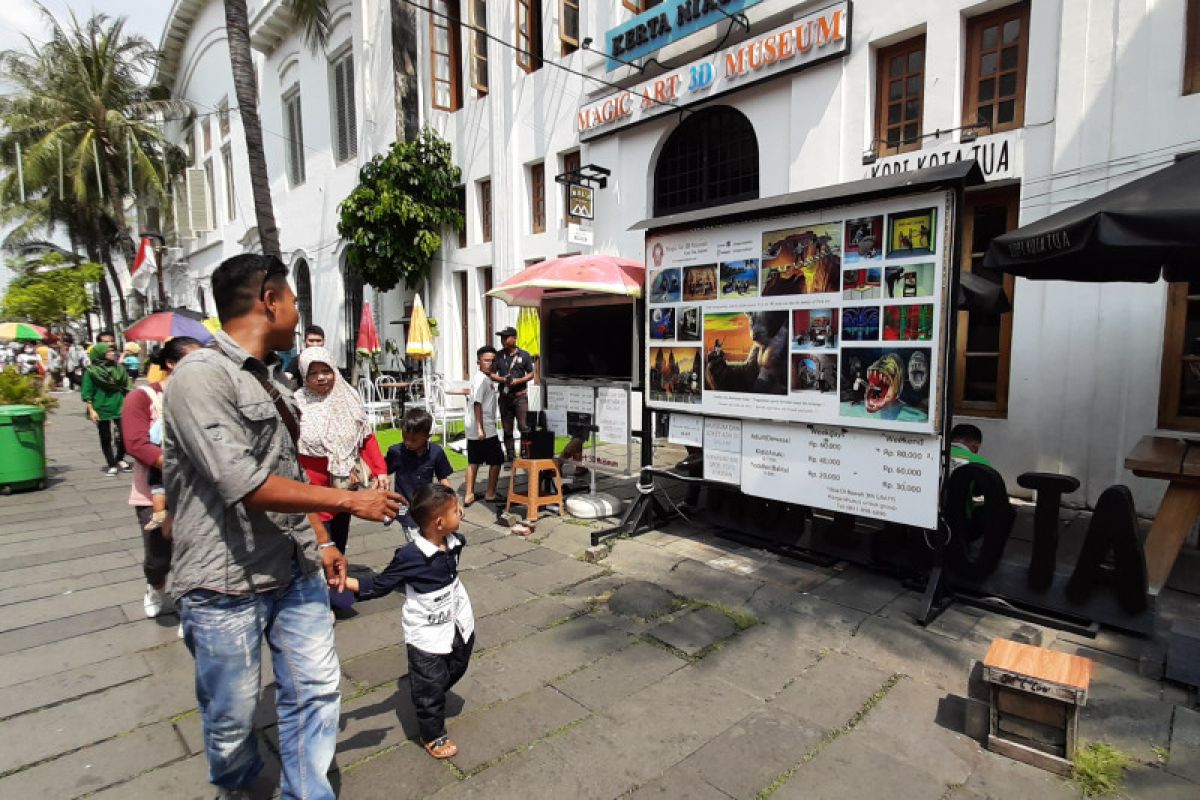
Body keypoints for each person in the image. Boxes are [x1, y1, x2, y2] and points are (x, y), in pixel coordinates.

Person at [163, 253, 401, 799]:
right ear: (269, 301)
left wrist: (320, 539)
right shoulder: (199, 379)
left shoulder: (271, 379)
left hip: (294, 571)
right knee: (231, 718)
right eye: (293, 299)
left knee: (316, 691)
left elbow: (284, 471)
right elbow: (243, 483)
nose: (298, 311)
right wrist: (348, 502)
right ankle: (240, 789)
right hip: (224, 583)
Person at [340, 483, 475, 760]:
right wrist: (341, 583)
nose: (460, 511)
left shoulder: (455, 541)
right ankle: (432, 733)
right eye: (455, 510)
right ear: (439, 522)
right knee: (429, 685)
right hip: (425, 632)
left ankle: (431, 691)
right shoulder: (410, 556)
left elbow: (411, 513)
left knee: (458, 664)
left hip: (456, 620)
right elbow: (378, 585)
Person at [122, 336, 203, 620]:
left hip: (198, 492)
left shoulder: (205, 397)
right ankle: (155, 586)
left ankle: (190, 606)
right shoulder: (142, 397)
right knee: (159, 555)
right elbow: (136, 443)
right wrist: (177, 466)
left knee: (194, 553)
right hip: (155, 491)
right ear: (171, 363)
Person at [294, 345, 389, 556]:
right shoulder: (296, 402)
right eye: (313, 373)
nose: (321, 378)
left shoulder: (348, 396)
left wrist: (380, 470)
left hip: (344, 485)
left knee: (339, 540)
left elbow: (365, 436)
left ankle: (338, 582)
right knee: (319, 545)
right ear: (304, 376)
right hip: (312, 490)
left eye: (326, 371)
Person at [385, 407, 455, 543]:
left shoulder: (436, 452)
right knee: (415, 541)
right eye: (405, 437)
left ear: (427, 436)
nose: (408, 443)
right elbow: (382, 473)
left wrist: (454, 502)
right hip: (404, 506)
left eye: (414, 439)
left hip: (427, 504)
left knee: (431, 539)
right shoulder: (396, 452)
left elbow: (443, 478)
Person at [82, 343, 133, 476]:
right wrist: (91, 410)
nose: (112, 354)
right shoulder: (91, 371)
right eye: (108, 352)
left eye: (112, 351)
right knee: (105, 436)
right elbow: (87, 392)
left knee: (125, 435)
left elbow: (127, 385)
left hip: (120, 404)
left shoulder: (119, 368)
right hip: (101, 406)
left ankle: (119, 458)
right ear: (100, 354)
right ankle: (111, 464)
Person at [464, 345, 504, 506]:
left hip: (474, 425)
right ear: (478, 361)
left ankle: (468, 494)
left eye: (493, 360)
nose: (490, 363)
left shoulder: (481, 377)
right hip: (484, 426)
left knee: (474, 460)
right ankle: (490, 493)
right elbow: (477, 404)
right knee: (496, 460)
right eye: (486, 360)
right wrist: (480, 428)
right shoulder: (482, 380)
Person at [494, 326, 535, 461]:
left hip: (520, 396)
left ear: (514, 338)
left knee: (523, 426)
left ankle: (525, 452)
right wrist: (504, 380)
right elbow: (492, 374)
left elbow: (531, 374)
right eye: (501, 337)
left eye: (506, 337)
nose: (503, 340)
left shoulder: (524, 355)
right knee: (507, 428)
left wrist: (518, 381)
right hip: (505, 397)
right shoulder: (498, 355)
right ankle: (510, 456)